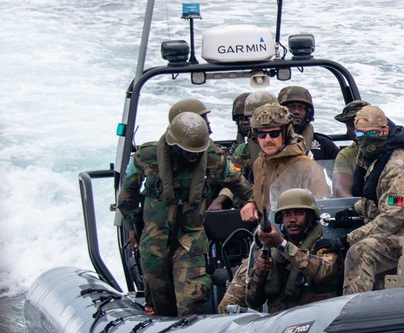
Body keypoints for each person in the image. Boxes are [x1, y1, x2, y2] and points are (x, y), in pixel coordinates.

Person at [116, 111, 253, 316]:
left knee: (191, 298)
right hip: (155, 236)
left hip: (190, 237)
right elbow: (127, 195)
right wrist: (131, 226)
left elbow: (241, 186)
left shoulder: (212, 158)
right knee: (159, 297)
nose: (193, 156)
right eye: (188, 151)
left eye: (197, 152)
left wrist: (251, 204)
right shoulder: (146, 156)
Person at [316, 105, 404, 295]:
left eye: (372, 133)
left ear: (385, 131)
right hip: (385, 226)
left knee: (360, 251)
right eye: (360, 134)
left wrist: (346, 240)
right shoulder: (372, 156)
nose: (366, 139)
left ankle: (354, 305)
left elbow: (392, 219)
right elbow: (373, 198)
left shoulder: (399, 166)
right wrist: (354, 211)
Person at [218, 188, 342, 313]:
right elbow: (253, 301)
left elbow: (324, 271)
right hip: (278, 324)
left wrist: (281, 244)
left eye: (299, 213)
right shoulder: (273, 252)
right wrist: (259, 275)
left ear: (309, 217)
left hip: (316, 319)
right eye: (286, 214)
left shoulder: (323, 246)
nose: (292, 219)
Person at [238, 102, 330, 225]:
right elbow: (263, 194)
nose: (268, 139)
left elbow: (322, 211)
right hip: (266, 232)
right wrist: (252, 202)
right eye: (262, 134)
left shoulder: (306, 166)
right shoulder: (259, 164)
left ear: (286, 133)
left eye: (274, 133)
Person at [277, 85, 339, 161]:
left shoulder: (323, 144)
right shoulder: (269, 141)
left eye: (301, 107)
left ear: (308, 112)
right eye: (291, 107)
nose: (297, 112)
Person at [330, 99, 369, 197]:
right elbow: (339, 189)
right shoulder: (347, 155)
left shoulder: (398, 146)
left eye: (360, 123)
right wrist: (357, 208)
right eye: (351, 124)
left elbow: (399, 198)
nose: (356, 129)